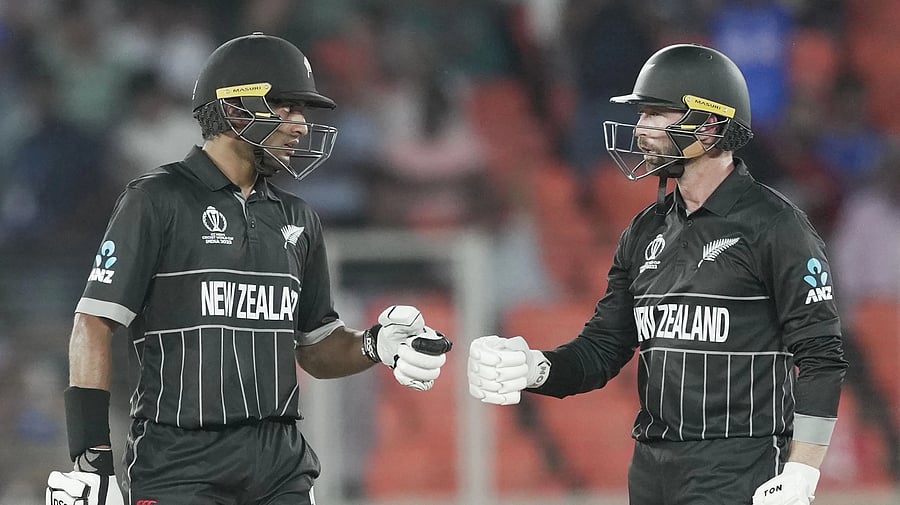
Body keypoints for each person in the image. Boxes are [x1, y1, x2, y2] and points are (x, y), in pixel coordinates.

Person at [45, 32, 452, 505]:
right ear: (236, 110)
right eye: (284, 107)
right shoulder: (156, 201)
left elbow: (315, 347)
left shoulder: (298, 218)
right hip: (180, 463)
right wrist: (92, 462)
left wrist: (374, 344)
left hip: (280, 465)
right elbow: (93, 323)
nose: (300, 125)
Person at [468, 43, 847, 505]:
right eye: (642, 114)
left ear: (709, 125)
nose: (641, 129)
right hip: (651, 469)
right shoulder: (644, 231)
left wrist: (803, 471)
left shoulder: (776, 227)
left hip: (741, 465)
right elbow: (605, 349)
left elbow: (822, 355)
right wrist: (535, 368)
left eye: (656, 114)